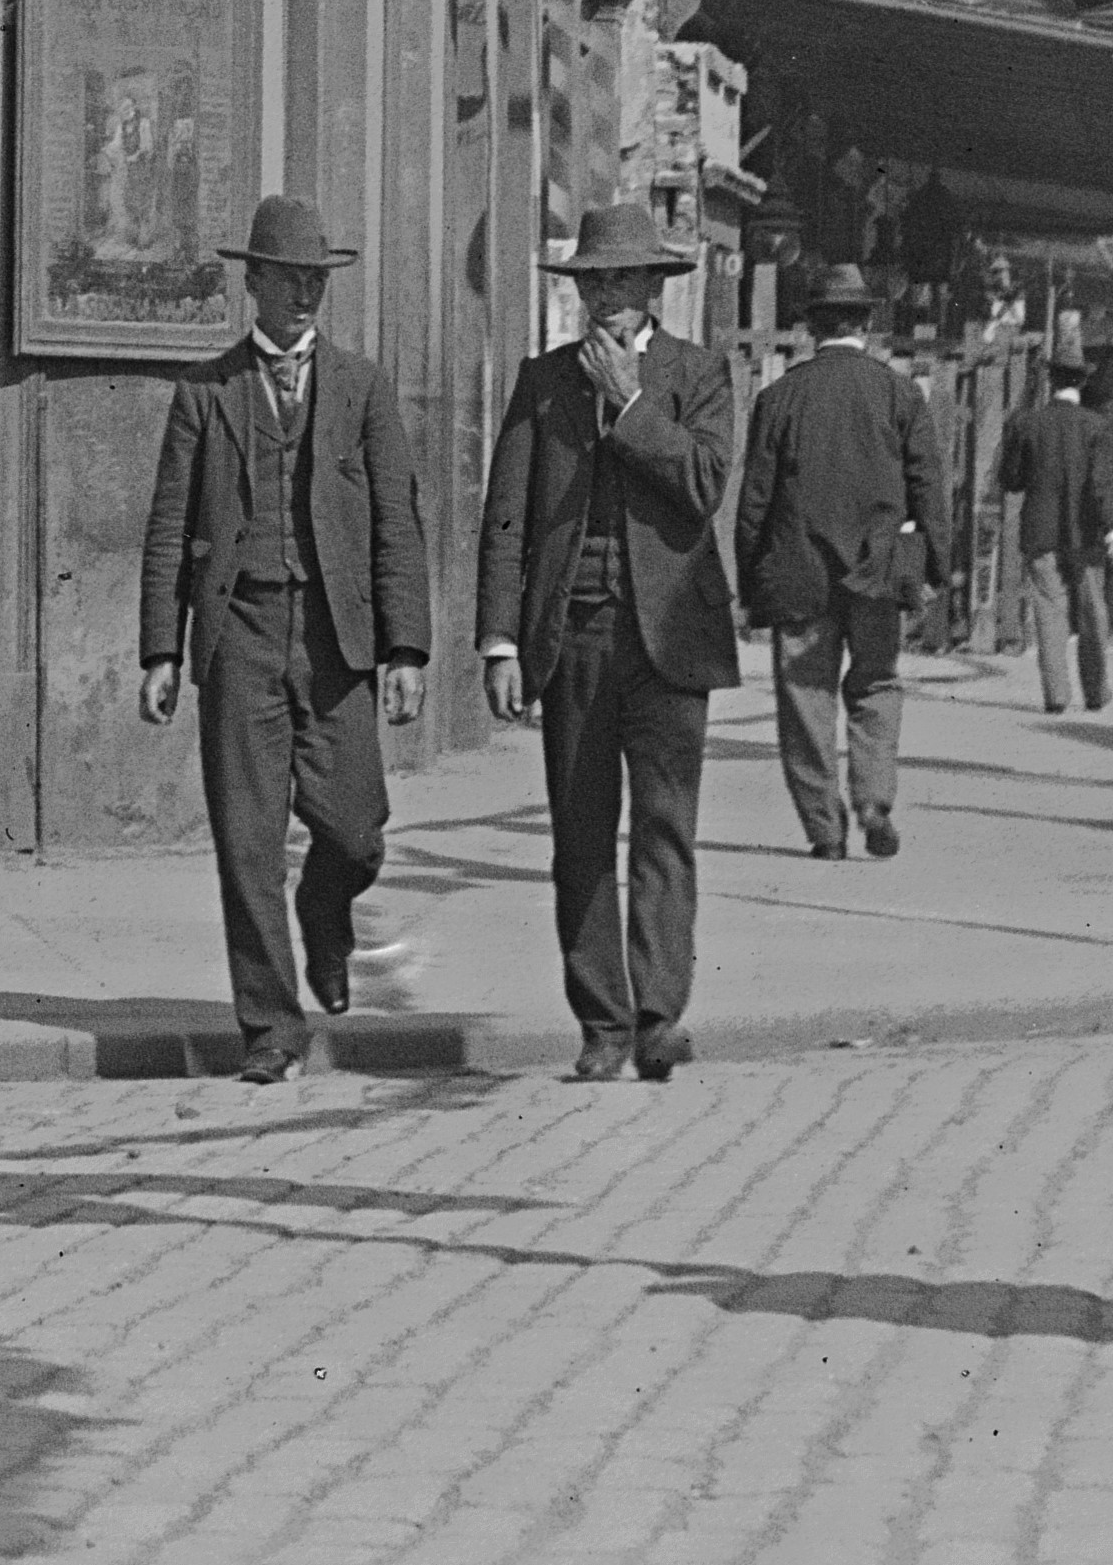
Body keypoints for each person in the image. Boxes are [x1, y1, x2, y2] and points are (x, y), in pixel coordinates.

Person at [136, 193, 431, 1083]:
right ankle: (270, 1025)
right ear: (252, 282)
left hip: (337, 637)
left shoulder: (362, 386)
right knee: (246, 838)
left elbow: (396, 524)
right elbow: (164, 528)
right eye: (288, 277)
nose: (304, 294)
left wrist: (406, 648)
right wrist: (162, 647)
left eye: (317, 279)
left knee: (356, 831)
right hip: (240, 632)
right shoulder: (205, 391)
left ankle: (327, 914)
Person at [475, 203, 740, 1081]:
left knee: (664, 830)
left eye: (623, 280)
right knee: (580, 836)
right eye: (594, 281)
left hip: (667, 640)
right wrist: (499, 638)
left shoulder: (696, 375)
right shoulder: (544, 381)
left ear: (654, 287)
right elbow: (505, 513)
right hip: (574, 634)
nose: (607, 298)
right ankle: (601, 1022)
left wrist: (628, 402)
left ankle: (659, 1016)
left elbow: (702, 483)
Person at [735, 262, 952, 858]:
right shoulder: (899, 393)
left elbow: (755, 497)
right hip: (879, 570)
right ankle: (874, 799)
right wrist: (935, 563)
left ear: (810, 326)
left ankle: (824, 831)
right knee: (877, 683)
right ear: (867, 323)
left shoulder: (779, 397)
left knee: (805, 695)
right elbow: (930, 484)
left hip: (797, 570)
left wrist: (750, 578)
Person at [996, 352, 1113, 713]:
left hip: (1040, 531)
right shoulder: (1096, 427)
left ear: (1052, 382)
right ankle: (1096, 693)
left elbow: (1011, 481)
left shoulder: (1029, 423)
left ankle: (1056, 695)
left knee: (1049, 612)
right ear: (1082, 383)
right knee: (1092, 612)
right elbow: (1103, 485)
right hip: (1086, 535)